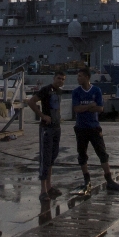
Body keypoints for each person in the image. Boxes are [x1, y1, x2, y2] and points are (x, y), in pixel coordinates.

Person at [71, 67, 119, 192]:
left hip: (94, 127)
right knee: (82, 155)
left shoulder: (96, 90)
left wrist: (84, 107)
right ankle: (87, 180)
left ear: (87, 77)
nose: (78, 78)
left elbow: (100, 108)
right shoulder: (76, 92)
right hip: (81, 127)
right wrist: (90, 106)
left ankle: (109, 180)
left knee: (102, 154)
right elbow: (76, 109)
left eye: (80, 76)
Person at [27, 71, 66, 199]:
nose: (60, 81)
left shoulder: (59, 92)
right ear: (54, 78)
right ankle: (43, 190)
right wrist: (43, 116)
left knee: (52, 158)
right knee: (45, 158)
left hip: (56, 128)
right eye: (58, 78)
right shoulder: (46, 90)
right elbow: (31, 102)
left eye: (62, 79)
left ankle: (49, 186)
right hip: (46, 129)